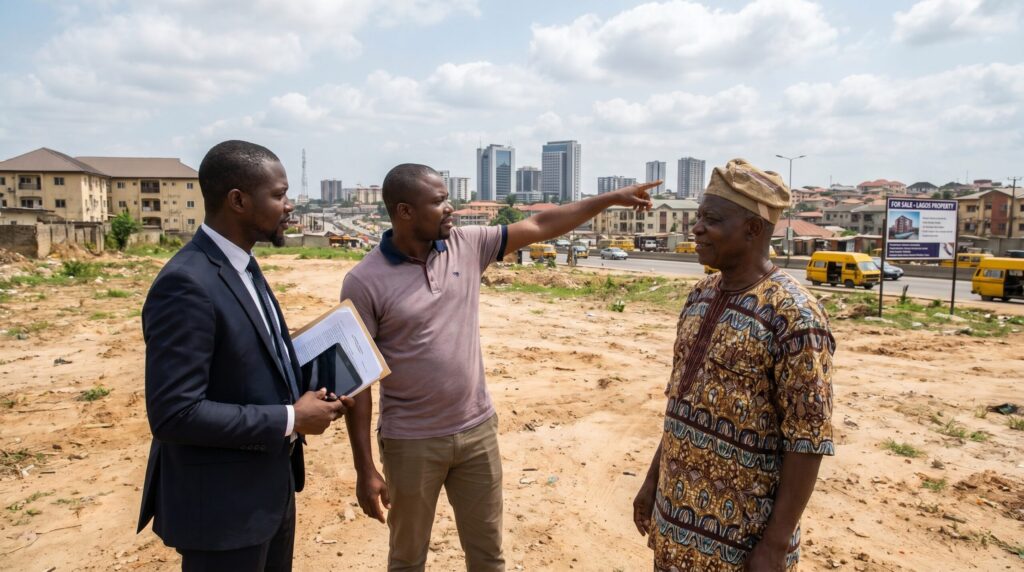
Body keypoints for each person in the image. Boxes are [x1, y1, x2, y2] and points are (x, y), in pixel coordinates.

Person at [341, 163, 658, 571]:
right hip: (411, 443)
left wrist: (611, 198)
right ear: (404, 211)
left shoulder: (468, 245)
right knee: (407, 559)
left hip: (477, 434)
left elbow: (541, 225)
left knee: (489, 557)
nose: (450, 208)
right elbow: (357, 383)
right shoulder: (363, 281)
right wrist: (365, 468)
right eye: (439, 201)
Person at [137, 140, 352, 571]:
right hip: (222, 511)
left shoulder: (243, 266)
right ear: (238, 200)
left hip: (268, 494)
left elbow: (251, 361)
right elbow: (174, 413)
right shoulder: (187, 284)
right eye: (279, 195)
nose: (289, 206)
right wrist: (292, 418)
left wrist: (319, 383)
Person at [632, 158, 835, 571]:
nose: (696, 229)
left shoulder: (795, 316)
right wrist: (653, 481)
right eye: (698, 217)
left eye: (711, 220)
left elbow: (808, 439)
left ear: (753, 229)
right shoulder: (700, 296)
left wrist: (775, 544)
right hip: (675, 526)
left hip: (742, 542)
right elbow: (681, 403)